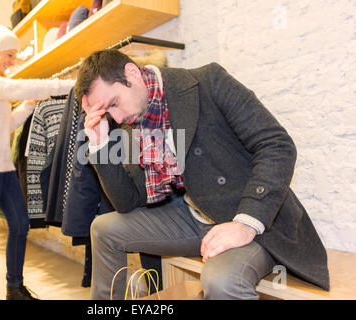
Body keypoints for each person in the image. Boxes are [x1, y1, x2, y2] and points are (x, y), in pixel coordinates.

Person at [74, 49, 329, 300]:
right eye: (108, 112)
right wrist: (100, 144)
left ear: (132, 73)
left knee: (222, 281)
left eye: (115, 103)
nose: (117, 117)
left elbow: (277, 145)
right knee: (103, 229)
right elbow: (127, 202)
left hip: (250, 216)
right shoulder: (136, 123)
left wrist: (245, 223)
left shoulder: (207, 82)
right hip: (195, 216)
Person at [0, 23, 75, 300]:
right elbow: (12, 88)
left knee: (21, 224)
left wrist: (30, 105)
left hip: (2, 165)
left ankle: (15, 287)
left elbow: (6, 125)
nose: (11, 61)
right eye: (9, 55)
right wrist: (66, 85)